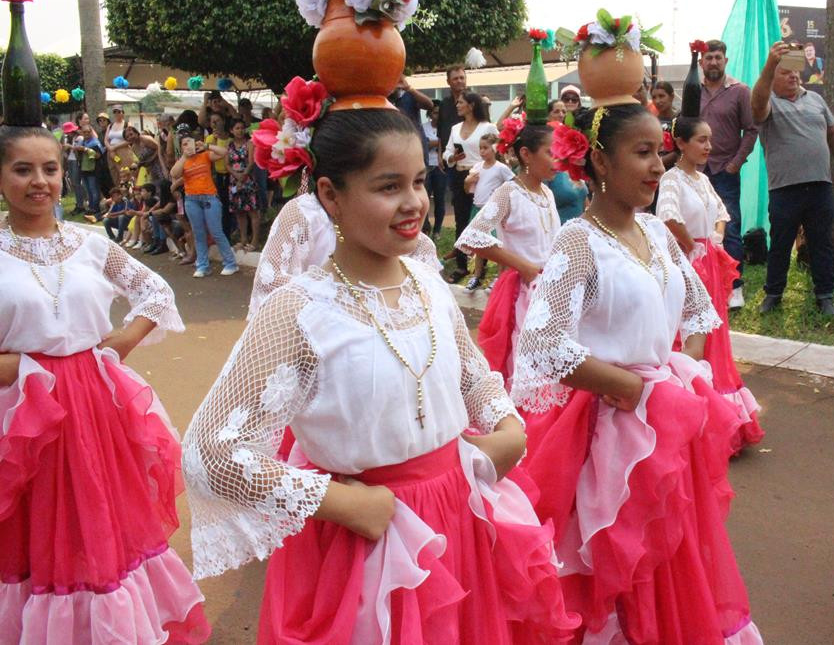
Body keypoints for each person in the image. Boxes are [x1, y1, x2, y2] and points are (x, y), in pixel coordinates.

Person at [183, 104, 579, 643]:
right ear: (330, 195)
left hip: (459, 517)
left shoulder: (426, 281)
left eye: (418, 181)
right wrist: (345, 503)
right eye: (388, 186)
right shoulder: (301, 310)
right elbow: (211, 450)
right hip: (368, 541)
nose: (414, 202)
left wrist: (506, 426)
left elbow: (472, 372)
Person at [513, 102, 761, 643]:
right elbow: (541, 341)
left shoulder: (658, 233)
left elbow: (700, 313)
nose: (656, 166)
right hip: (604, 427)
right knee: (618, 556)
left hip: (666, 423)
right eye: (642, 153)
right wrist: (629, 388)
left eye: (659, 153)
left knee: (671, 548)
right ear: (600, 161)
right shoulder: (578, 240)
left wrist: (684, 372)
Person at [0, 119, 208, 642]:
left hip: (94, 406)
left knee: (97, 519)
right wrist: (23, 365)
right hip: (24, 415)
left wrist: (121, 342)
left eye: (49, 168)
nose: (38, 181)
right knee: (35, 529)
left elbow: (156, 293)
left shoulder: (90, 245)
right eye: (22, 170)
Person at [658, 115, 764, 453]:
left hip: (709, 264)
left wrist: (715, 236)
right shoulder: (672, 180)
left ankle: (721, 419)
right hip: (688, 265)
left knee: (716, 338)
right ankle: (691, 416)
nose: (708, 146)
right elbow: (668, 217)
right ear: (681, 144)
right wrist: (691, 246)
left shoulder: (702, 180)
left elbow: (721, 210)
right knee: (688, 334)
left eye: (709, 139)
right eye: (701, 140)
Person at [751, 40, 834, 316]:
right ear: (773, 78)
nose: (793, 76)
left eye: (795, 72)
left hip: (820, 186)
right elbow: (756, 105)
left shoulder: (816, 100)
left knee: (821, 242)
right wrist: (769, 67)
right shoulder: (768, 102)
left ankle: (825, 295)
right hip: (784, 189)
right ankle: (773, 294)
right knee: (781, 244)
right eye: (785, 72)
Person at [455, 122, 558, 380]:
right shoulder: (509, 192)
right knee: (524, 363)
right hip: (523, 291)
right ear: (526, 154)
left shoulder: (547, 192)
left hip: (551, 288)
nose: (557, 160)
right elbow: (473, 236)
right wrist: (521, 265)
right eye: (551, 152)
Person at [700, 39, 759, 310]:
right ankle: (702, 285)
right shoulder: (693, 90)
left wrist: (736, 163)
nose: (713, 62)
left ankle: (734, 287)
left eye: (717, 57)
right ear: (701, 62)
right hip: (697, 171)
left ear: (725, 60)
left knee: (730, 228)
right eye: (708, 57)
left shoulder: (739, 91)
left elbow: (751, 129)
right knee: (699, 228)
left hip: (725, 170)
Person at [442, 92, 498, 283]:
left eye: (461, 102)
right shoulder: (455, 128)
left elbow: (497, 149)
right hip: (460, 175)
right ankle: (461, 265)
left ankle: (481, 267)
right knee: (461, 220)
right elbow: (447, 152)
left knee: (482, 221)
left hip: (482, 178)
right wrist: (451, 158)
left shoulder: (487, 127)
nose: (457, 105)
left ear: (472, 105)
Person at [170, 133, 239, 277]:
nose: (188, 146)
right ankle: (202, 265)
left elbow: (223, 152)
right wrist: (185, 156)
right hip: (191, 199)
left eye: (190, 142)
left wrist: (206, 145)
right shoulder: (182, 161)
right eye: (184, 144)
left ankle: (230, 263)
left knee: (216, 231)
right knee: (199, 233)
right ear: (181, 147)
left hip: (209, 197)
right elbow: (174, 174)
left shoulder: (205, 155)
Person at [461, 132, 516, 291]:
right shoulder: (477, 168)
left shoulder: (501, 169)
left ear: (494, 149)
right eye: (480, 148)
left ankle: (499, 276)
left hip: (493, 212)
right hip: (478, 210)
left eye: (485, 148)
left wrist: (502, 201)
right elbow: (468, 190)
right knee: (479, 244)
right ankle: (477, 275)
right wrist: (467, 181)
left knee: (497, 245)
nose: (482, 151)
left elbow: (513, 185)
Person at [226, 118, 261, 251]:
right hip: (234, 180)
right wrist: (236, 176)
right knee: (239, 212)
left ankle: (255, 241)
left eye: (242, 128)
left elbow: (251, 162)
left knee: (253, 211)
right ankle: (243, 239)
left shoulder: (250, 143)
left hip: (248, 179)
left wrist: (242, 177)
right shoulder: (229, 145)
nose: (240, 131)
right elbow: (227, 164)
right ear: (231, 130)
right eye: (237, 128)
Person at [205, 111, 235, 241]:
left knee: (231, 205)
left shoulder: (231, 138)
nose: (215, 123)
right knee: (220, 206)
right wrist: (215, 140)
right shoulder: (210, 139)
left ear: (223, 121)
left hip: (231, 174)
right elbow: (209, 157)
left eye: (218, 120)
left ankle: (231, 232)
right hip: (217, 175)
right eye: (213, 121)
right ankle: (221, 235)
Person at [422, 104, 445, 237]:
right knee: (424, 197)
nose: (438, 115)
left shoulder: (445, 127)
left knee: (440, 199)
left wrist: (433, 142)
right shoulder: (424, 127)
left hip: (440, 167)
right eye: (435, 113)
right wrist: (439, 142)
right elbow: (423, 144)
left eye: (439, 113)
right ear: (430, 114)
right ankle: (425, 227)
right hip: (426, 166)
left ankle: (437, 230)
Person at [651, 80, 679, 169]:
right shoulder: (652, 122)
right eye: (654, 97)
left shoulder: (679, 119)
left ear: (671, 96)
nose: (658, 101)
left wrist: (657, 163)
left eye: (661, 96)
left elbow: (680, 151)